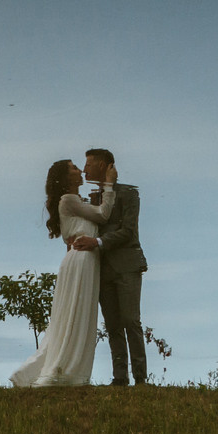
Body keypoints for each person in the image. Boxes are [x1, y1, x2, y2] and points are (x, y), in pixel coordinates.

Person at [10, 160, 113, 387]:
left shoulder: (74, 201)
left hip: (82, 257)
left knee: (76, 314)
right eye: (74, 168)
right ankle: (66, 369)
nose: (79, 171)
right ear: (67, 179)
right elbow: (103, 215)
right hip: (82, 258)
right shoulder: (68, 200)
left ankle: (69, 368)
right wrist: (109, 187)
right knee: (76, 313)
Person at [66, 147, 148, 387]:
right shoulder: (90, 199)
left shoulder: (129, 194)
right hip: (101, 269)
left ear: (103, 165)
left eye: (89, 164)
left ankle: (141, 379)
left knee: (131, 321)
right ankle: (120, 377)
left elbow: (128, 231)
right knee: (112, 325)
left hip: (126, 266)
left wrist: (98, 241)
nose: (85, 168)